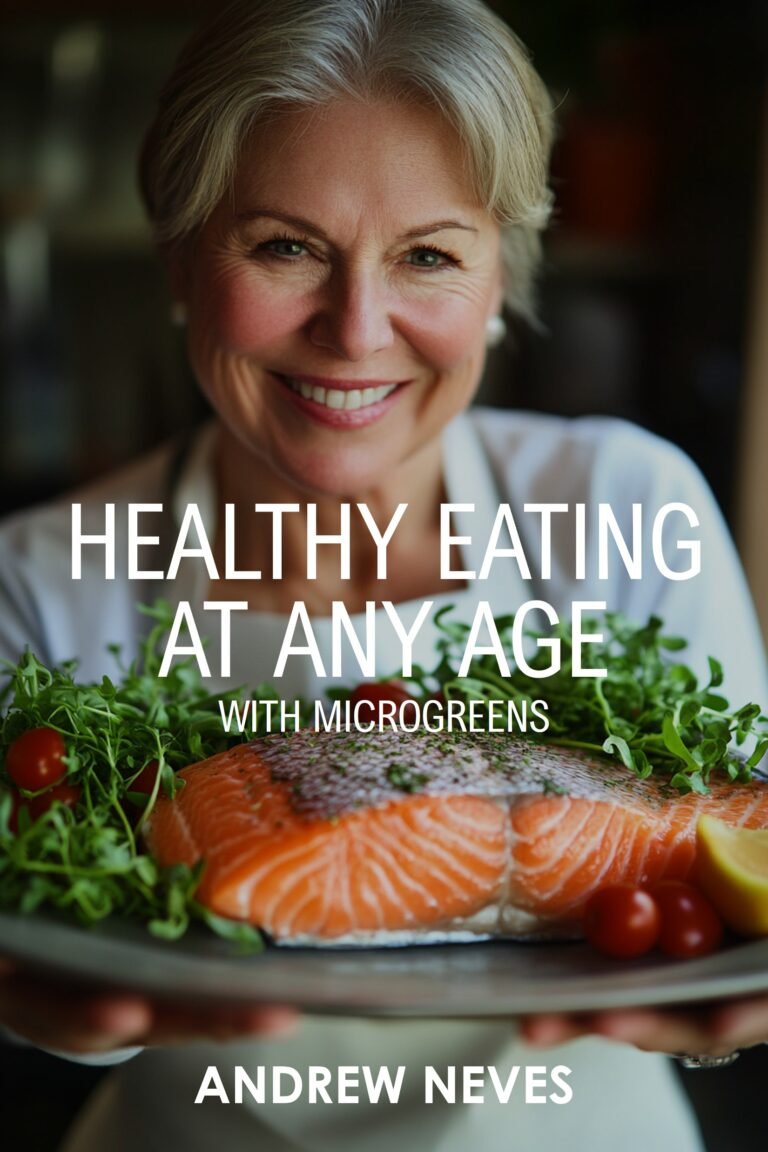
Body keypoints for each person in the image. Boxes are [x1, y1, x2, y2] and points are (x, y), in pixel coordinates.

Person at [0, 1, 766, 1149]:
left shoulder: (625, 506)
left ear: (501, 281)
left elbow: (737, 871)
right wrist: (48, 1009)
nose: (357, 331)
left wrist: (718, 1011)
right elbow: (47, 948)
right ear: (178, 261)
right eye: (285, 246)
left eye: (428, 256)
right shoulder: (40, 576)